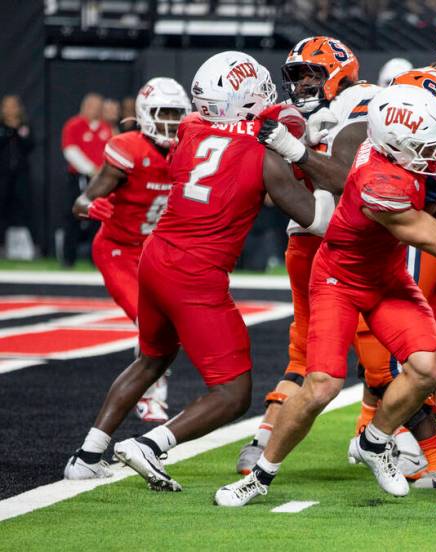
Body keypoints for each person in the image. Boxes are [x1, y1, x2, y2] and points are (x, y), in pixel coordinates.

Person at [215, 84, 436, 507]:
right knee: (321, 386)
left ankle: (375, 441)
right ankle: (260, 476)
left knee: (427, 367)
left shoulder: (396, 151)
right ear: (394, 148)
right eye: (426, 148)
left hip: (386, 276)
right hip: (339, 279)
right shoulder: (380, 183)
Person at [63, 51, 329, 490]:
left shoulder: (188, 130)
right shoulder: (262, 153)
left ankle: (89, 452)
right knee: (234, 393)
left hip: (155, 257)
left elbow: (226, 122)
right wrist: (301, 151)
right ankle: (151, 444)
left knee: (152, 358)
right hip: (196, 273)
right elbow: (315, 219)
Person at [236, 35, 375, 475]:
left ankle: (263, 440)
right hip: (329, 236)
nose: (303, 84)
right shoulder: (297, 117)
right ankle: (397, 440)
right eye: (297, 75)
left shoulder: (360, 101)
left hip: (328, 233)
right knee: (375, 346)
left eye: (313, 73)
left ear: (340, 72)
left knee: (315, 348)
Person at [71, 77, 192, 423]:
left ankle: (155, 392)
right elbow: (81, 201)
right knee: (150, 325)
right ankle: (148, 397)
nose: (170, 121)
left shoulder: (187, 149)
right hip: (119, 250)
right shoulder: (129, 149)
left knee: (175, 325)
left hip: (158, 252)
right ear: (145, 114)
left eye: (175, 113)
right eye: (163, 113)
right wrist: (91, 207)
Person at [61, 93, 111, 267]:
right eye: (92, 105)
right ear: (84, 106)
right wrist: (91, 170)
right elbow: (70, 151)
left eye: (98, 106)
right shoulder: (74, 125)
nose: (95, 109)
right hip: (79, 177)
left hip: (102, 180)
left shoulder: (105, 127)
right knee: (73, 215)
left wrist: (105, 172)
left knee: (98, 218)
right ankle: (68, 259)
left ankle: (95, 258)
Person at [0, 95, 35, 259]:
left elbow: (30, 145)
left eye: (13, 106)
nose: (10, 110)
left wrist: (17, 131)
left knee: (23, 207)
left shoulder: (25, 126)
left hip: (21, 174)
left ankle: (26, 248)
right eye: (7, 106)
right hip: (2, 175)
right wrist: (9, 131)